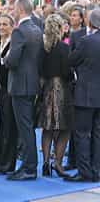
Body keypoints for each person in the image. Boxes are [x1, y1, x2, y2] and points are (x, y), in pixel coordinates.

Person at [4, 0, 43, 181]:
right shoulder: (36, 29)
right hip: (32, 83)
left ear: (20, 10)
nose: (12, 10)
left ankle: (29, 168)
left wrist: (4, 60)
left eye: (14, 8)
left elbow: (13, 60)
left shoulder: (19, 31)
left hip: (20, 85)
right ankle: (29, 166)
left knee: (24, 128)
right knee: (27, 127)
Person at [65, 9, 100, 182]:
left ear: (90, 22)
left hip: (85, 94)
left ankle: (85, 171)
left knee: (82, 134)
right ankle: (96, 170)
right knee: (97, 134)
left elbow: (71, 60)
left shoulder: (86, 41)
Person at [36, 14, 73, 178]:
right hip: (61, 90)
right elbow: (67, 72)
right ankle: (57, 162)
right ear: (58, 28)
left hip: (46, 88)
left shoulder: (42, 48)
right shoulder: (64, 48)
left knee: (47, 128)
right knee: (64, 128)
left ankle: (45, 163)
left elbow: (39, 69)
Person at [0, 14, 18, 174]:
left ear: (12, 26)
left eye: (5, 24)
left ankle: (7, 163)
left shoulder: (14, 43)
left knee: (9, 126)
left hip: (9, 89)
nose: (1, 27)